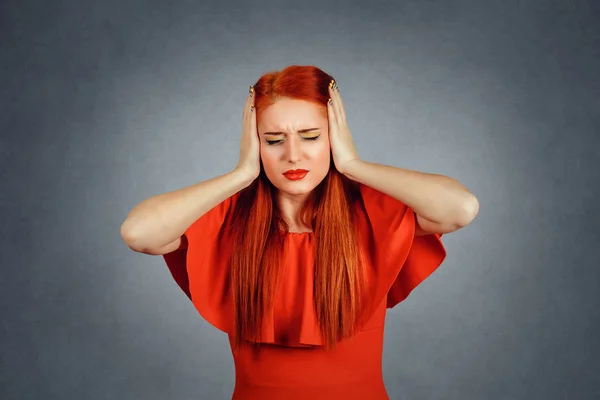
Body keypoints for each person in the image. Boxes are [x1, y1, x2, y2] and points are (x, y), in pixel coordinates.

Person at [120, 65, 479, 399]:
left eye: (310, 136)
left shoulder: (371, 215)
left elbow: (460, 208)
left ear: (334, 137)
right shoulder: (227, 221)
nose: (293, 155)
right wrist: (240, 175)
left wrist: (354, 165)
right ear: (254, 143)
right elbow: (139, 233)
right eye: (274, 140)